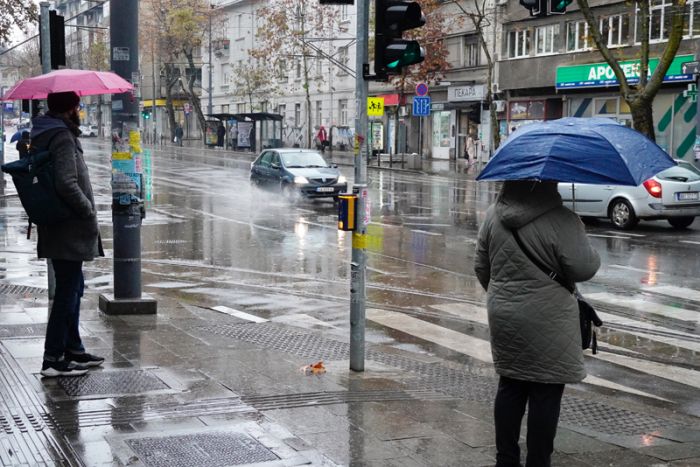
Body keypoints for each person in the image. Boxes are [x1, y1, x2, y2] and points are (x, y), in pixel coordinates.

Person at [474, 181, 600, 467]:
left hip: (504, 315)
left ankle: (506, 459)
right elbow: (584, 268)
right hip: (550, 318)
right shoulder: (562, 218)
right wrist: (579, 231)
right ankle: (538, 462)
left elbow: (482, 267)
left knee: (511, 384)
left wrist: (504, 296)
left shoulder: (494, 214)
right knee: (546, 390)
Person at [30, 91, 105, 377]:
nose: (80, 110)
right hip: (69, 227)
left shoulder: (50, 132)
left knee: (74, 288)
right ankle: (52, 358)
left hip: (61, 226)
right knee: (66, 293)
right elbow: (66, 182)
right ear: (70, 109)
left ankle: (73, 348)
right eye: (77, 105)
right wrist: (86, 209)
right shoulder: (61, 137)